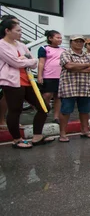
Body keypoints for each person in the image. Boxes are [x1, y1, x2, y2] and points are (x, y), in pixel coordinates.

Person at [0, 19, 52, 148]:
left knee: (44, 107)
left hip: (28, 80)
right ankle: (17, 139)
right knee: (15, 110)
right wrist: (24, 60)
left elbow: (33, 61)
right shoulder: (1, 45)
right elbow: (15, 63)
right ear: (7, 31)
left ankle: (37, 136)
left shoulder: (21, 45)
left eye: (21, 31)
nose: (20, 33)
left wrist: (24, 60)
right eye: (17, 30)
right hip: (12, 81)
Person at [57, 36, 90, 142]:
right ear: (71, 42)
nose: (79, 43)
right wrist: (87, 65)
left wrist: (78, 68)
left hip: (85, 86)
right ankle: (62, 133)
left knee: (85, 110)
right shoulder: (66, 53)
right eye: (77, 41)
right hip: (69, 86)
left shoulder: (87, 54)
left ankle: (85, 130)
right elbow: (69, 66)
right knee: (66, 110)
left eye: (81, 41)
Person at [37, 30, 65, 123]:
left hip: (60, 77)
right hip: (48, 76)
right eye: (57, 37)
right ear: (50, 38)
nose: (59, 39)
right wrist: (40, 75)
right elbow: (41, 63)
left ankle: (56, 117)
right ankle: (43, 114)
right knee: (47, 95)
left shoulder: (63, 50)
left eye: (60, 38)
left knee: (58, 97)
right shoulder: (43, 48)